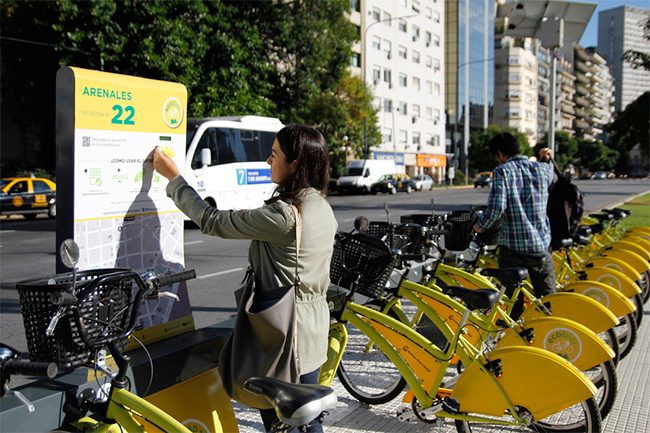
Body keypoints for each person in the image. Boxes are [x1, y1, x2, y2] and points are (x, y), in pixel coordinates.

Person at [153, 124, 337, 433]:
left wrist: (174, 178)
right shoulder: (321, 205)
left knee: (286, 423)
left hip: (283, 335)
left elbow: (213, 220)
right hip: (313, 333)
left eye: (274, 154)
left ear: (295, 164)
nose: (268, 161)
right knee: (304, 421)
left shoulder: (285, 216)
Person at [473, 132, 555, 320]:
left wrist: (479, 226)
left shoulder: (503, 171)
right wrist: (546, 158)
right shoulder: (542, 169)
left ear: (500, 154)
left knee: (511, 306)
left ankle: (515, 338)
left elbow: (496, 209)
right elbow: (550, 173)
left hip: (513, 252)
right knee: (549, 302)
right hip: (541, 248)